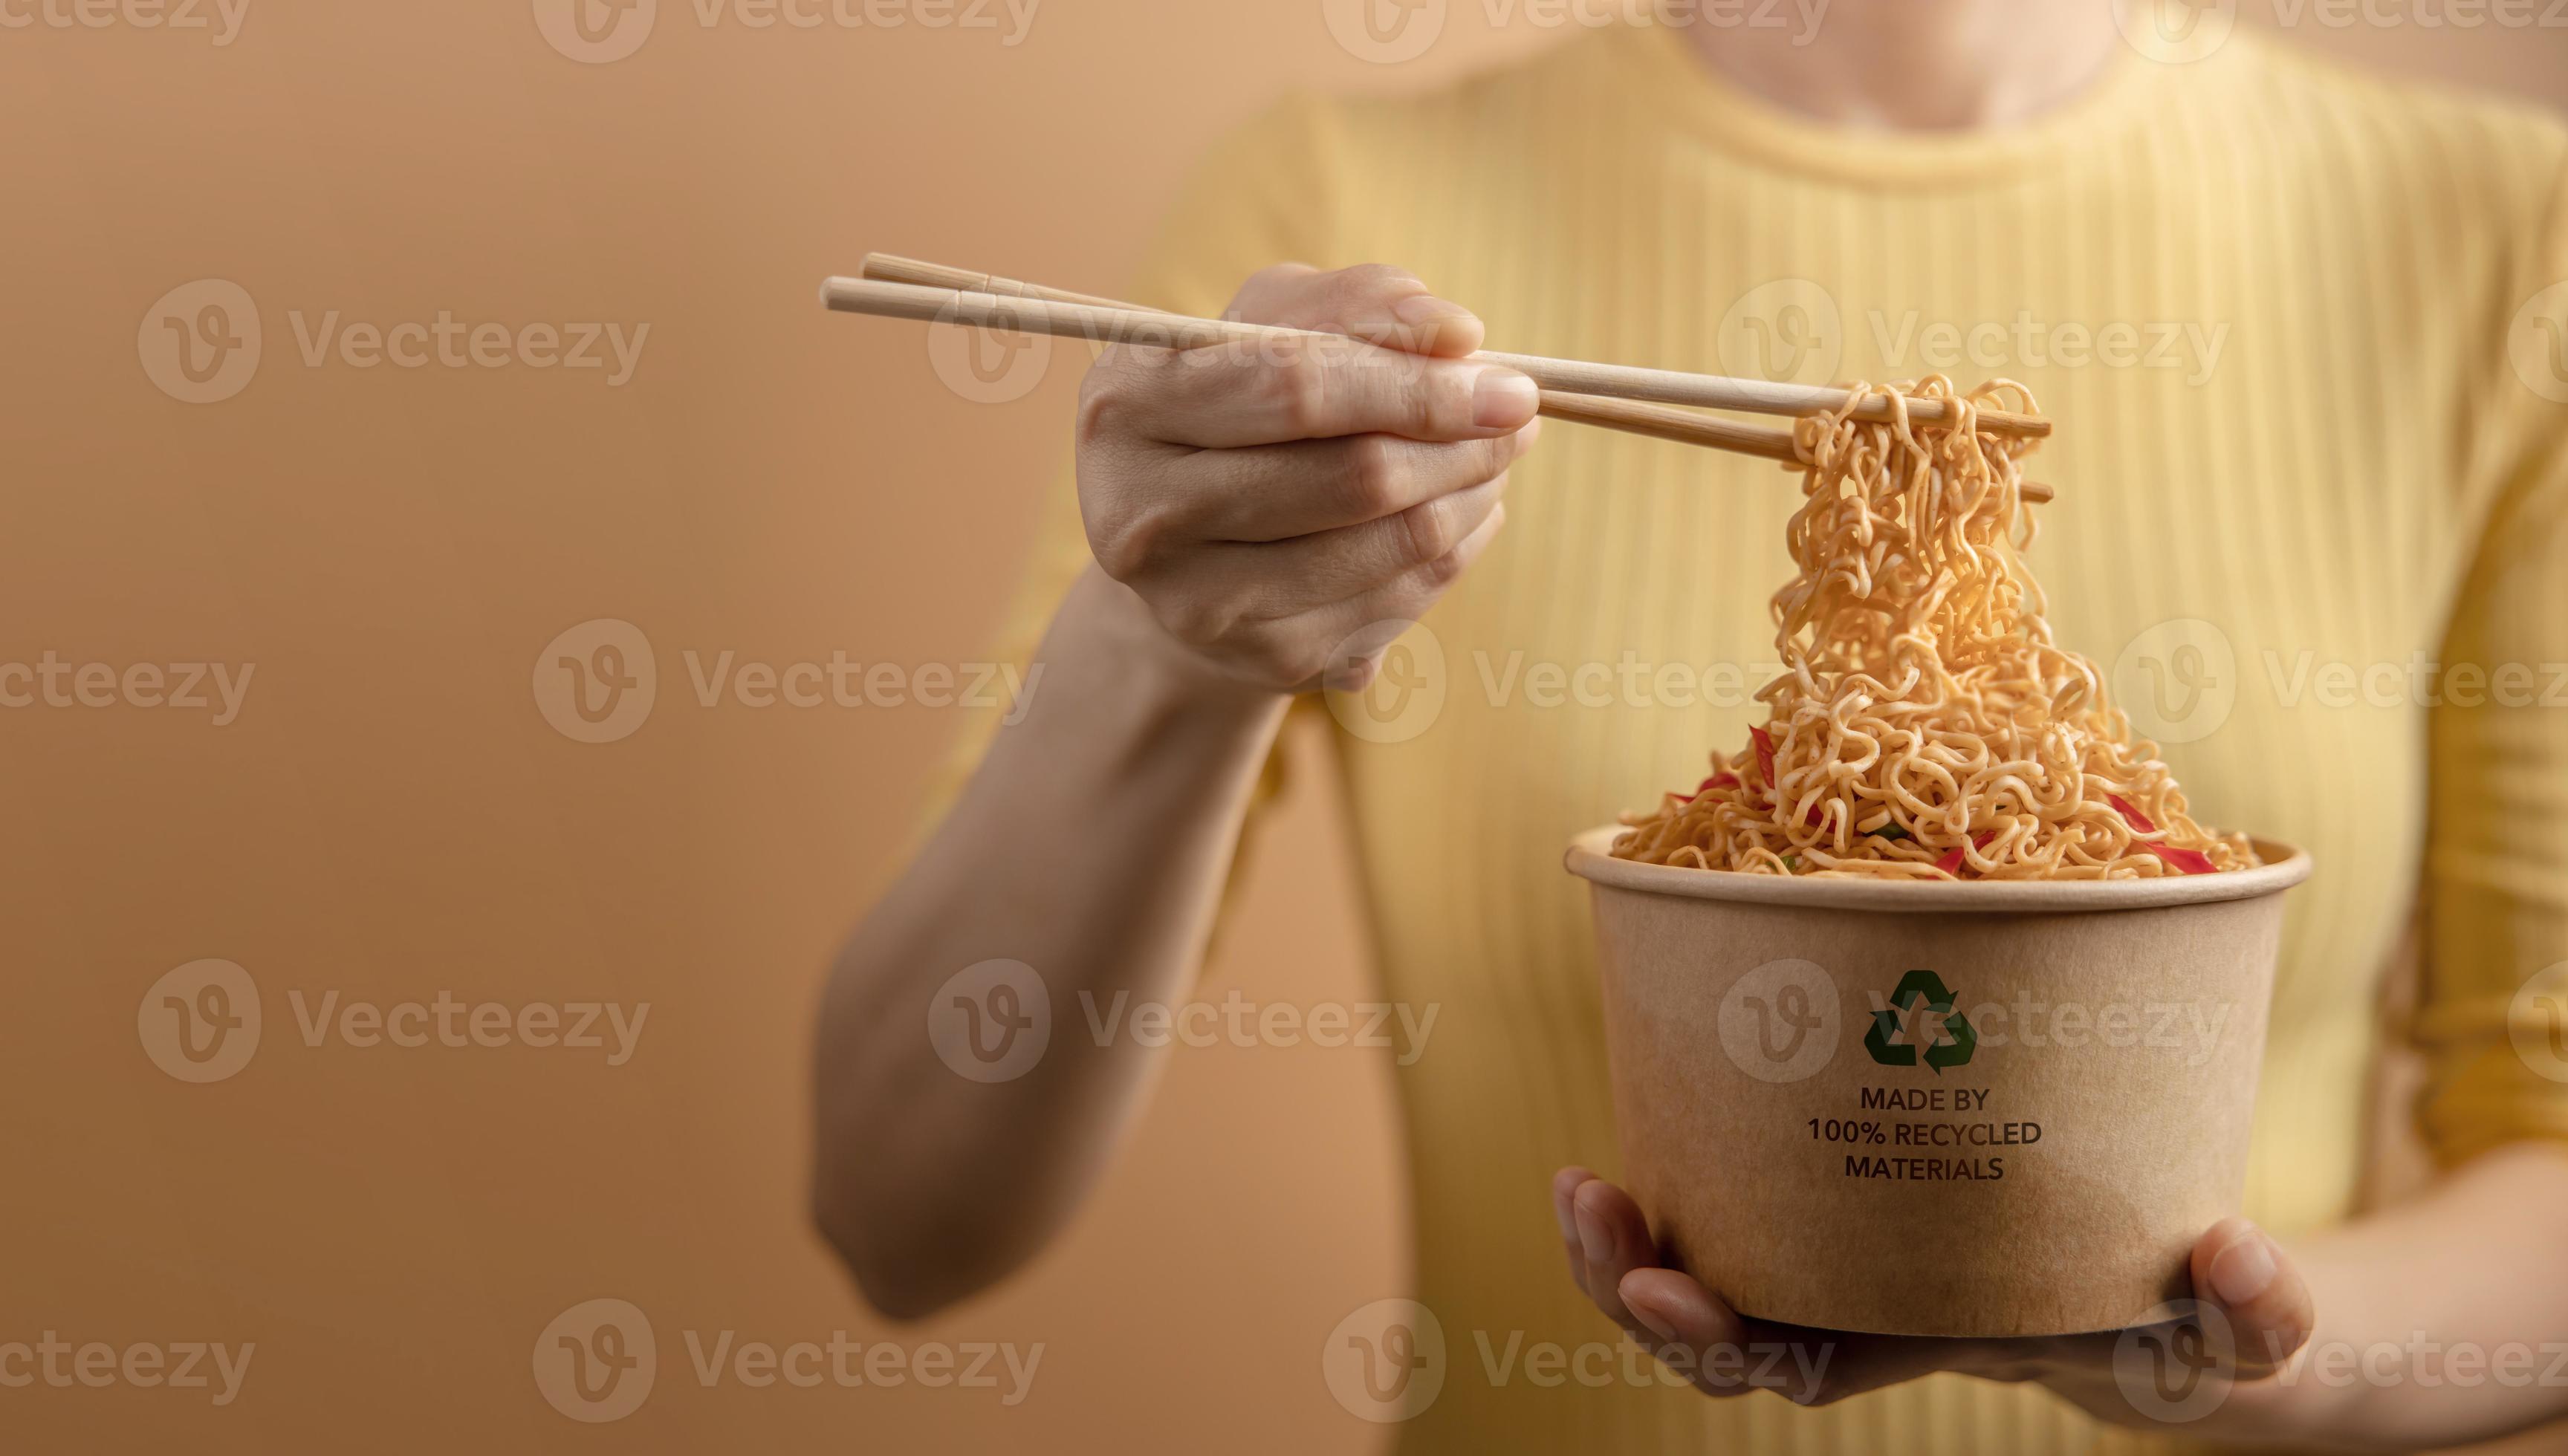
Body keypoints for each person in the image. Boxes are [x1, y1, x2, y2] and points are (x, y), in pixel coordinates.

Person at [811, 1, 2568, 1448]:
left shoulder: (2496, 234)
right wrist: (1167, 645)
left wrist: (2267, 1359)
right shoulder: (1346, 200)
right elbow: (903, 1212)